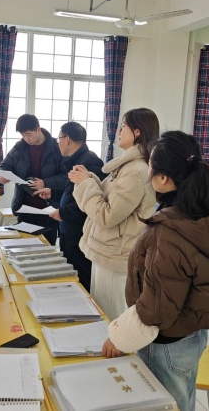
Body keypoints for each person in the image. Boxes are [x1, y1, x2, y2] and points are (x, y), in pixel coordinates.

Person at [101, 130, 209, 411]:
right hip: (193, 331)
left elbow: (157, 309)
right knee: (182, 400)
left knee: (167, 405)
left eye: (150, 166)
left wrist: (120, 335)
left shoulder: (170, 231)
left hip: (167, 341)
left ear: (164, 178)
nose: (148, 172)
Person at [69, 108, 159, 320]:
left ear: (137, 132)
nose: (118, 132)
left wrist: (86, 184)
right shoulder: (129, 166)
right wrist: (89, 179)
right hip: (108, 250)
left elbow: (107, 216)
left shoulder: (136, 170)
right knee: (103, 311)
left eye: (123, 127)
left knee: (110, 316)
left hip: (116, 253)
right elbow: (110, 199)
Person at [34, 122, 105, 291]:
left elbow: (90, 200)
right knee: (72, 274)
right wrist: (52, 193)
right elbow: (73, 193)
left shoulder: (90, 161)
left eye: (59, 138)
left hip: (79, 231)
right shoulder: (75, 160)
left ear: (67, 139)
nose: (58, 143)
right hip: (69, 229)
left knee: (82, 278)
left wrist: (63, 212)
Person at [0, 114, 66, 245]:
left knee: (46, 248)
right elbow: (4, 166)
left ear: (38, 129)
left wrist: (45, 182)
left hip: (49, 209)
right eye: (23, 135)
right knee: (24, 247)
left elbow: (66, 176)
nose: (26, 139)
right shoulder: (19, 148)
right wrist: (2, 177)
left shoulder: (56, 148)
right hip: (25, 208)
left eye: (29, 134)